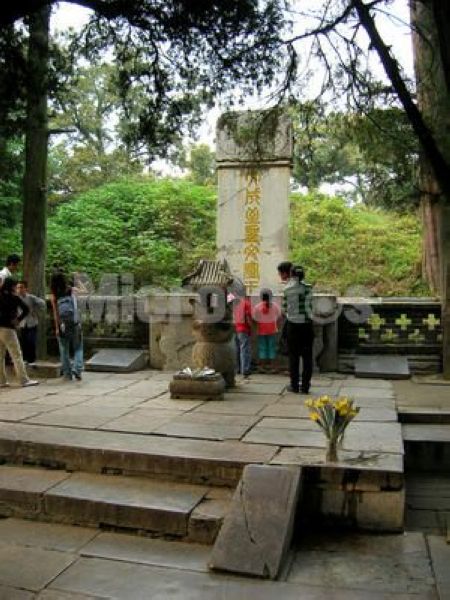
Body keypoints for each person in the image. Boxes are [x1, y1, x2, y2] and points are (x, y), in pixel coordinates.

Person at [278, 263, 314, 394]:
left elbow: (284, 309)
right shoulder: (309, 288)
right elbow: (311, 306)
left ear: (291, 274)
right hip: (307, 326)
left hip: (293, 326)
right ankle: (305, 386)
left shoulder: (287, 289)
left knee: (293, 357)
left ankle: (294, 385)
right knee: (307, 357)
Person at [0, 278, 39, 387]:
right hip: (8, 328)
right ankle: (23, 379)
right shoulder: (14, 298)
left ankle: (1, 380)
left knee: (0, 355)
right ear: (12, 286)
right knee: (16, 354)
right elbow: (26, 309)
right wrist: (18, 319)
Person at [50, 269, 83, 381]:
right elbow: (85, 292)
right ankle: (77, 369)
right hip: (74, 322)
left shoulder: (54, 295)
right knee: (78, 347)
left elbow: (55, 313)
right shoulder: (71, 290)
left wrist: (57, 327)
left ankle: (67, 374)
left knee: (64, 349)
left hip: (62, 324)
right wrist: (77, 280)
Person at [16, 280, 46, 364]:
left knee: (31, 341)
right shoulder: (16, 299)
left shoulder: (31, 297)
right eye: (18, 287)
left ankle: (32, 359)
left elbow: (42, 303)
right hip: (21, 324)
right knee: (23, 342)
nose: (19, 289)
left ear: (26, 288)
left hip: (32, 322)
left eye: (21, 287)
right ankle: (25, 359)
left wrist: (35, 311)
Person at [253, 289, 281, 371]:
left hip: (261, 329)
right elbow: (279, 316)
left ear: (261, 297)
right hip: (272, 329)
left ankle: (262, 367)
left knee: (262, 347)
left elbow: (254, 318)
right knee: (272, 347)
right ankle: (272, 367)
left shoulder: (257, 307)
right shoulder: (275, 306)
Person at [231, 289, 253, 379]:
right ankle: (245, 370)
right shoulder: (246, 303)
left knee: (236, 349)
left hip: (235, 327)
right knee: (245, 350)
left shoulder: (235, 303)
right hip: (243, 329)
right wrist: (251, 327)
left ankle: (237, 369)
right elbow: (248, 317)